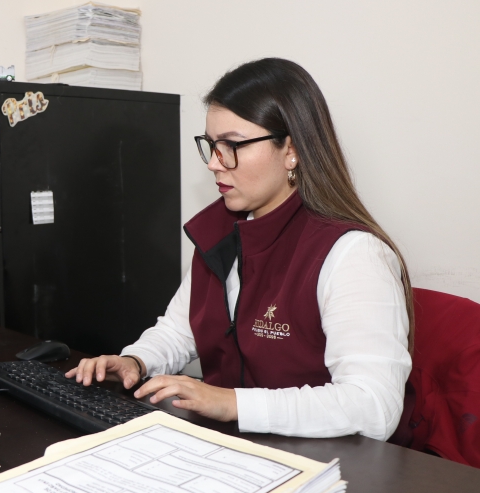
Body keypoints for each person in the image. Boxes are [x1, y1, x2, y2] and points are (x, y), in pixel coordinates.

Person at [66, 58, 413, 442]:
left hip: (322, 460)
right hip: (229, 447)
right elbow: (180, 330)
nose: (214, 164)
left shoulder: (353, 254)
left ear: (291, 150)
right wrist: (135, 360)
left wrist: (232, 403)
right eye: (212, 145)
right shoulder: (219, 233)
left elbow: (374, 406)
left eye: (231, 145)